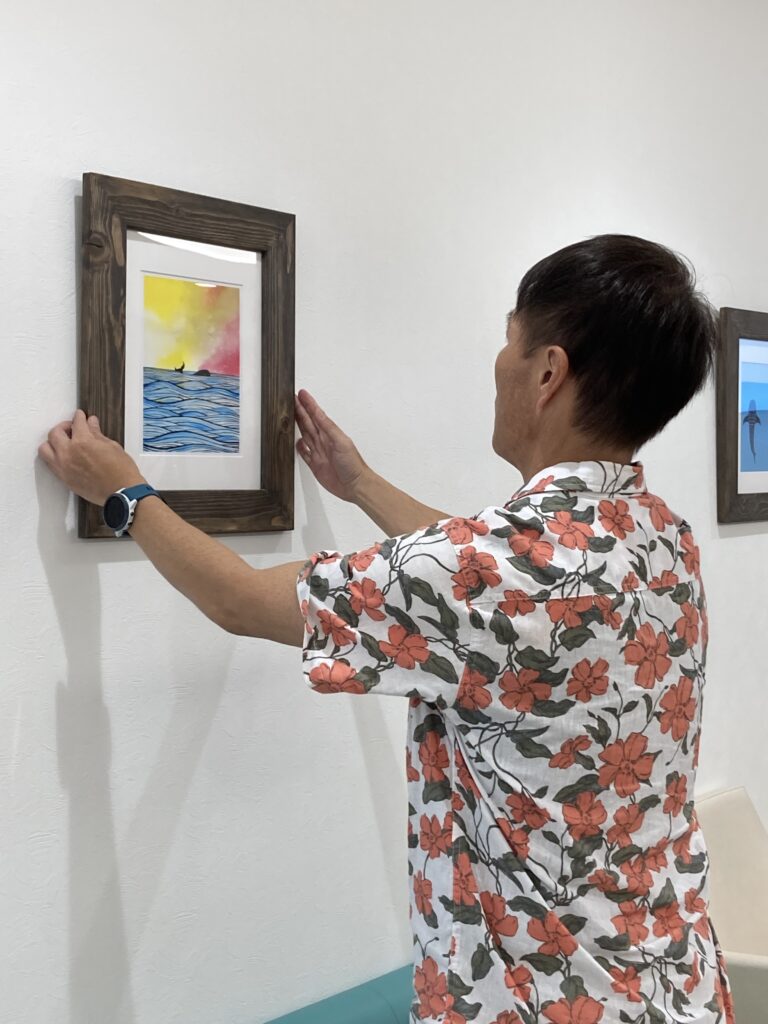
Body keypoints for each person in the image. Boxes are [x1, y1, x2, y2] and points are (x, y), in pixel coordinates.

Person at [39, 234, 736, 1024]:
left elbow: (239, 600)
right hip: (675, 981)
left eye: (508, 341)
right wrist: (362, 484)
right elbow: (497, 598)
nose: (498, 364)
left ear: (548, 372)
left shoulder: (488, 573)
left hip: (538, 1002)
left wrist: (124, 492)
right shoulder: (660, 538)